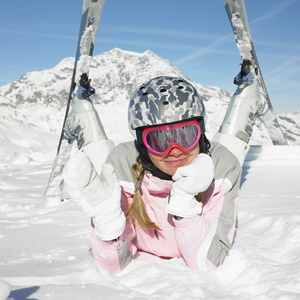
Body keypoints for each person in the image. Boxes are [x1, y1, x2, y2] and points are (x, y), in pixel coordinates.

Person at [63, 65, 264, 275]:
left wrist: (185, 205)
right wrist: (107, 226)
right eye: (159, 140)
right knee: (100, 162)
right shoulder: (121, 168)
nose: (175, 151)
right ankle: (83, 115)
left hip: (216, 163)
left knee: (228, 150)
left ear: (201, 133)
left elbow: (209, 261)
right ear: (142, 144)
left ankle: (247, 98)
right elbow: (113, 267)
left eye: (186, 135)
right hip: (128, 169)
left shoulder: (223, 167)